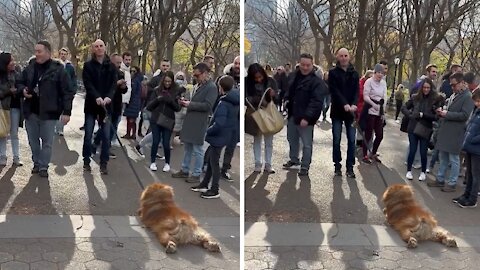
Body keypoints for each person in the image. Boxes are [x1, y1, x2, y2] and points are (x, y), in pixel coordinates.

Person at [18, 40, 74, 178]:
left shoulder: (58, 69)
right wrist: (23, 90)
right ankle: (37, 163)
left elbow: (67, 91)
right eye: (35, 51)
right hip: (31, 111)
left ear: (48, 52)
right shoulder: (30, 67)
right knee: (33, 141)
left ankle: (43, 166)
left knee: (47, 143)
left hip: (49, 112)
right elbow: (19, 82)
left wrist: (67, 112)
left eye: (39, 51)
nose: (36, 54)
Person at [191, 75, 239, 199]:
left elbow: (219, 123)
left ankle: (215, 189)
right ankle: (205, 184)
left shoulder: (224, 103)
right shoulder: (234, 101)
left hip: (218, 136)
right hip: (226, 135)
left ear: (220, 87)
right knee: (213, 162)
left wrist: (208, 130)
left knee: (214, 163)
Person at [427, 72, 474, 192]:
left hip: (456, 132)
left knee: (454, 159)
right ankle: (440, 179)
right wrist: (442, 111)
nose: (452, 87)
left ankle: (452, 183)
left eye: (454, 85)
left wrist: (446, 114)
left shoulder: (468, 97)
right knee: (443, 157)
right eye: (451, 85)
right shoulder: (454, 95)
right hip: (446, 130)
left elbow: (464, 115)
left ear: (462, 83)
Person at [172, 63, 218, 183]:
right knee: (188, 147)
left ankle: (197, 173)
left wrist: (190, 104)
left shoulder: (211, 87)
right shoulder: (198, 85)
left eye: (197, 75)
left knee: (198, 149)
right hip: (191, 120)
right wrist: (187, 101)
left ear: (205, 73)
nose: (195, 77)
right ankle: (185, 169)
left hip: (199, 122)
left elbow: (208, 106)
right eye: (194, 75)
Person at [282, 53, 327, 176]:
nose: (305, 68)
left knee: (306, 144)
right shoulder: (293, 76)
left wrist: (307, 117)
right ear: (299, 64)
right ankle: (293, 159)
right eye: (303, 65)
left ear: (312, 65)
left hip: (306, 118)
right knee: (292, 139)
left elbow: (316, 102)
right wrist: (286, 100)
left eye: (308, 65)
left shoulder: (317, 82)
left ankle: (305, 166)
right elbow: (288, 92)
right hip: (292, 115)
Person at [82, 39, 117, 175]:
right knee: (88, 134)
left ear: (105, 47)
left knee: (106, 136)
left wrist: (108, 97)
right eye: (96, 46)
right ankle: (86, 160)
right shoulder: (88, 65)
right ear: (93, 49)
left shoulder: (111, 66)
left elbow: (114, 85)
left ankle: (104, 163)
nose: (99, 48)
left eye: (101, 46)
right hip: (92, 104)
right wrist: (96, 96)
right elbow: (87, 83)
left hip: (106, 107)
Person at [328, 48, 359, 178]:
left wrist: (354, 104)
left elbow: (357, 91)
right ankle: (337, 165)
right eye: (341, 56)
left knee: (352, 140)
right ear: (337, 57)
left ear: (349, 57)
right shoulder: (333, 73)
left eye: (346, 55)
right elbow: (334, 91)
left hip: (350, 113)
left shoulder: (355, 73)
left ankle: (350, 166)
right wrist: (344, 104)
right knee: (336, 139)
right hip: (337, 111)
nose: (343, 58)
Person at [402, 78, 440, 181]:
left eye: (428, 87)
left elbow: (436, 117)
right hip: (413, 127)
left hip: (425, 128)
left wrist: (423, 115)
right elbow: (404, 107)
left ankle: (423, 171)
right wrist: (410, 115)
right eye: (424, 87)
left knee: (423, 152)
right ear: (421, 88)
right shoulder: (415, 97)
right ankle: (409, 171)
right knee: (413, 150)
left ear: (431, 88)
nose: (426, 90)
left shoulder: (434, 100)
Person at [92, 53, 127, 159]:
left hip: (117, 104)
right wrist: (116, 84)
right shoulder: (104, 72)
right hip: (106, 104)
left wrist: (123, 86)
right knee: (105, 128)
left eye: (120, 63)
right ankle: (103, 149)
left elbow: (123, 91)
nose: (119, 65)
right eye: (117, 63)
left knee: (113, 128)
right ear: (111, 62)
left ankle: (96, 145)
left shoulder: (121, 73)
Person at [145, 71, 181, 172]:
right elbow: (149, 106)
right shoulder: (157, 90)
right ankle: (152, 162)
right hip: (156, 119)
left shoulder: (176, 91)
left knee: (166, 143)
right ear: (162, 81)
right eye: (165, 81)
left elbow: (178, 108)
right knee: (155, 141)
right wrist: (158, 99)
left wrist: (170, 100)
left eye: (169, 81)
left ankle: (167, 163)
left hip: (168, 120)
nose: (167, 83)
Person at [245, 63, 278, 173]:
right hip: (255, 113)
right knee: (257, 139)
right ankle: (258, 163)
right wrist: (255, 99)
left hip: (268, 112)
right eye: (256, 78)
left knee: (269, 140)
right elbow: (245, 98)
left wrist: (273, 95)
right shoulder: (247, 82)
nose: (259, 80)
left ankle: (268, 164)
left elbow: (278, 97)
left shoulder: (270, 81)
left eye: (260, 77)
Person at [455, 90, 480, 208]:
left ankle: (472, 199)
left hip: (477, 149)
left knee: (476, 175)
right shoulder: (476, 111)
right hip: (470, 147)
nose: (476, 104)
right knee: (469, 174)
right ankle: (466, 195)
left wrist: (472, 139)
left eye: (478, 101)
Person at [0, 52, 23, 166]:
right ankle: (2, 156)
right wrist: (9, 91)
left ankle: (16, 157)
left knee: (14, 133)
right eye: (11, 61)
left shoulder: (17, 73)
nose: (14, 62)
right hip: (3, 107)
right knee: (3, 133)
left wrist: (19, 91)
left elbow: (21, 86)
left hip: (15, 107)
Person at [361, 64, 387, 164]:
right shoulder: (369, 82)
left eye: (382, 73)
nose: (380, 75)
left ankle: (373, 152)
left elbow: (384, 96)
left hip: (379, 110)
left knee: (379, 135)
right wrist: (373, 104)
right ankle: (365, 155)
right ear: (375, 73)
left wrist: (383, 110)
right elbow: (365, 96)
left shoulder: (383, 83)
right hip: (370, 109)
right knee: (368, 134)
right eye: (378, 73)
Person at [55, 47, 77, 136]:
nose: (63, 56)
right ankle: (56, 127)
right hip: (57, 92)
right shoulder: (56, 65)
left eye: (65, 54)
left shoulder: (70, 67)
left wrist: (73, 90)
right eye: (62, 54)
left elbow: (73, 78)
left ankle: (61, 128)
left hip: (67, 92)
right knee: (57, 110)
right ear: (59, 55)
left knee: (65, 111)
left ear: (67, 55)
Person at [122, 66, 143, 139]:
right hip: (132, 101)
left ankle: (131, 134)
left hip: (133, 102)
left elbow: (132, 91)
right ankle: (131, 133)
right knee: (130, 119)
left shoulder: (135, 80)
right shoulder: (134, 79)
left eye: (134, 71)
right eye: (131, 71)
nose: (132, 73)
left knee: (131, 119)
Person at [356, 70, 373, 147]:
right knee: (361, 126)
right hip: (361, 108)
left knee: (369, 128)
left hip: (370, 109)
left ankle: (367, 145)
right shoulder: (360, 84)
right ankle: (359, 143)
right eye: (369, 77)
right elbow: (360, 95)